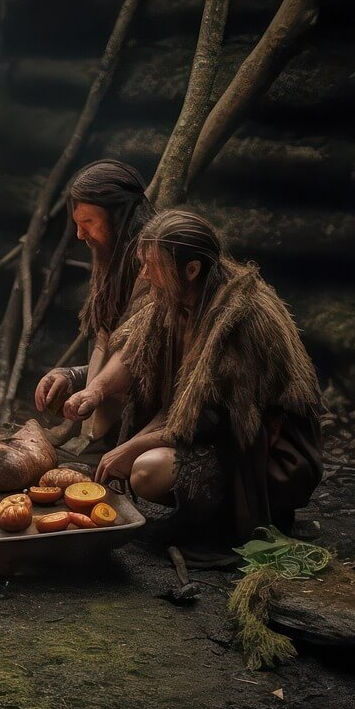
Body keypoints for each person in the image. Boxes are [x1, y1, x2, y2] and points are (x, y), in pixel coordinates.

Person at [64, 210, 323, 547]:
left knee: (145, 469)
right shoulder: (176, 295)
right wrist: (94, 390)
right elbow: (136, 350)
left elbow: (215, 419)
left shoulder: (242, 316)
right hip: (203, 427)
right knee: (131, 459)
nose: (144, 274)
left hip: (261, 452)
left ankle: (207, 524)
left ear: (191, 269)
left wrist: (135, 445)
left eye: (152, 266)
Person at [33, 159, 154, 447]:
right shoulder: (111, 262)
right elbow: (114, 351)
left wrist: (93, 390)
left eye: (88, 223)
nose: (80, 235)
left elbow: (142, 361)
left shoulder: (156, 269)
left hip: (150, 426)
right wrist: (73, 377)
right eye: (77, 224)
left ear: (119, 217)